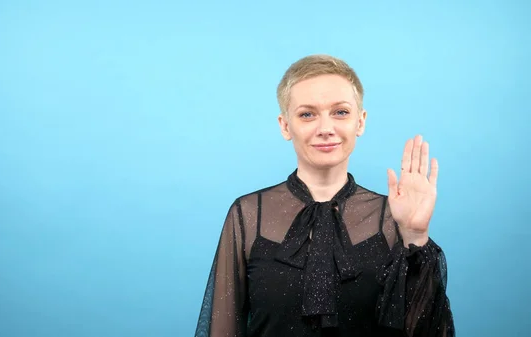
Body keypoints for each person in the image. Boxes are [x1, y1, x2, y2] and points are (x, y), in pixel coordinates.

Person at [194, 54, 455, 337]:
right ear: (285, 126)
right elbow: (222, 329)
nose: (326, 129)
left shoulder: (393, 217)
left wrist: (416, 236)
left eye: (340, 112)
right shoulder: (247, 215)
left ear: (360, 121)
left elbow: (425, 330)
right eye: (307, 114)